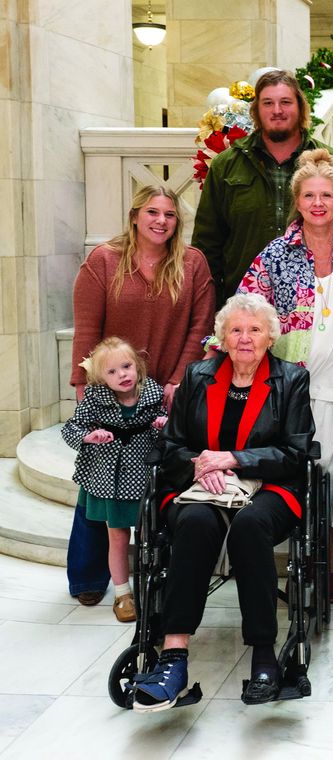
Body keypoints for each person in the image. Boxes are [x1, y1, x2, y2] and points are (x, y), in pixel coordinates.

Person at [134, 293, 316, 711]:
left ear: (270, 337)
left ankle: (264, 655)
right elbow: (172, 444)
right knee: (195, 523)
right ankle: (174, 657)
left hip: (270, 488)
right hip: (201, 485)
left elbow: (295, 452)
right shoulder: (198, 376)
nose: (245, 338)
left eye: (254, 330)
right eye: (236, 330)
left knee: (251, 526)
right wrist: (200, 464)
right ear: (222, 337)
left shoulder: (291, 380)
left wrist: (234, 459)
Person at [68, 186, 215, 607]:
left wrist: (179, 379)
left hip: (166, 392)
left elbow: (201, 326)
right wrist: (84, 388)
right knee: (99, 483)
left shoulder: (192, 263)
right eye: (152, 212)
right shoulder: (104, 261)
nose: (161, 221)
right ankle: (89, 575)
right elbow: (86, 330)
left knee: (164, 480)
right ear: (135, 216)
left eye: (169, 214)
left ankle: (160, 575)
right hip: (111, 393)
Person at [237, 148, 333, 605]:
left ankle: (324, 565)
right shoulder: (275, 254)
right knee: (294, 477)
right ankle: (298, 563)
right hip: (289, 393)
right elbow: (246, 309)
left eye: (326, 195)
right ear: (297, 201)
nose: (318, 203)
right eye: (309, 195)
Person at [192, 69, 333, 305]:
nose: (277, 110)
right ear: (256, 110)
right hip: (245, 307)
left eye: (285, 102)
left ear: (300, 108)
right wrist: (210, 308)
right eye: (268, 103)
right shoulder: (226, 165)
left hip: (317, 305)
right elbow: (207, 244)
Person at [61, 338, 166, 623]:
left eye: (126, 366)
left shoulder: (152, 392)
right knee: (117, 537)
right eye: (112, 371)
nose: (122, 374)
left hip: (142, 476)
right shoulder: (95, 398)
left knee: (147, 536)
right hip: (110, 478)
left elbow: (166, 426)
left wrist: (162, 425)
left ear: (137, 366)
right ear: (100, 378)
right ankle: (123, 594)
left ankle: (148, 587)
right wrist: (89, 437)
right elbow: (71, 428)